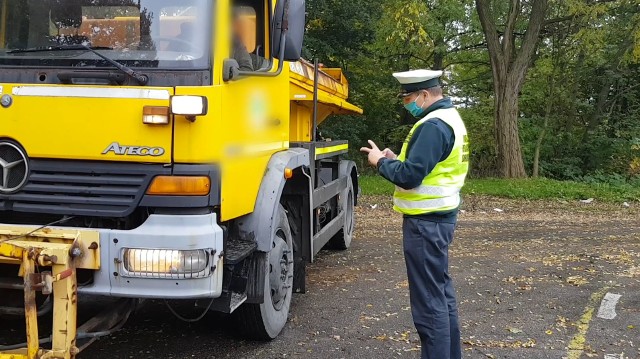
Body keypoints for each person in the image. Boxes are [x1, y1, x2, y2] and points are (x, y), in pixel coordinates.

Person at [360, 69, 469, 359]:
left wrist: (380, 163)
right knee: (442, 296)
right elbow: (424, 167)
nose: (406, 103)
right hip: (438, 220)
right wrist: (395, 159)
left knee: (429, 304)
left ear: (424, 95)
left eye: (408, 97)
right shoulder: (450, 119)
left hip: (426, 224)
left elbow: (410, 177)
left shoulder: (433, 125)